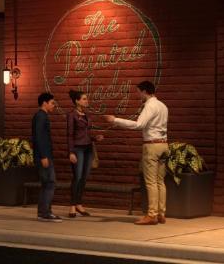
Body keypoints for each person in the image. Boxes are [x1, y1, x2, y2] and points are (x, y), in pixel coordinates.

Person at [105, 80, 169, 225]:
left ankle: (151, 215)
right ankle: (161, 213)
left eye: (138, 91)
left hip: (151, 146)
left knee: (151, 181)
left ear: (145, 91)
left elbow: (139, 125)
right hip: (164, 145)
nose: (137, 94)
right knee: (160, 181)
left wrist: (115, 120)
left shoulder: (150, 106)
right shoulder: (163, 106)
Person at [67, 89, 104, 218]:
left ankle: (79, 203)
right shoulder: (71, 115)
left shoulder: (87, 115)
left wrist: (95, 138)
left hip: (88, 149)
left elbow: (86, 134)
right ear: (77, 101)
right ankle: (72, 205)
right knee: (77, 177)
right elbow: (70, 135)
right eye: (84, 99)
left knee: (84, 177)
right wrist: (71, 152)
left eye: (86, 99)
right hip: (77, 149)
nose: (87, 101)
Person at [32, 92, 61, 222]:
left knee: (46, 183)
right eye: (52, 103)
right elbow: (39, 137)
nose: (54, 105)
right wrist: (44, 156)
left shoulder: (42, 116)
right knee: (50, 182)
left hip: (45, 155)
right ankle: (45, 213)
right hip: (44, 156)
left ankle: (43, 212)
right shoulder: (40, 116)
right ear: (45, 103)